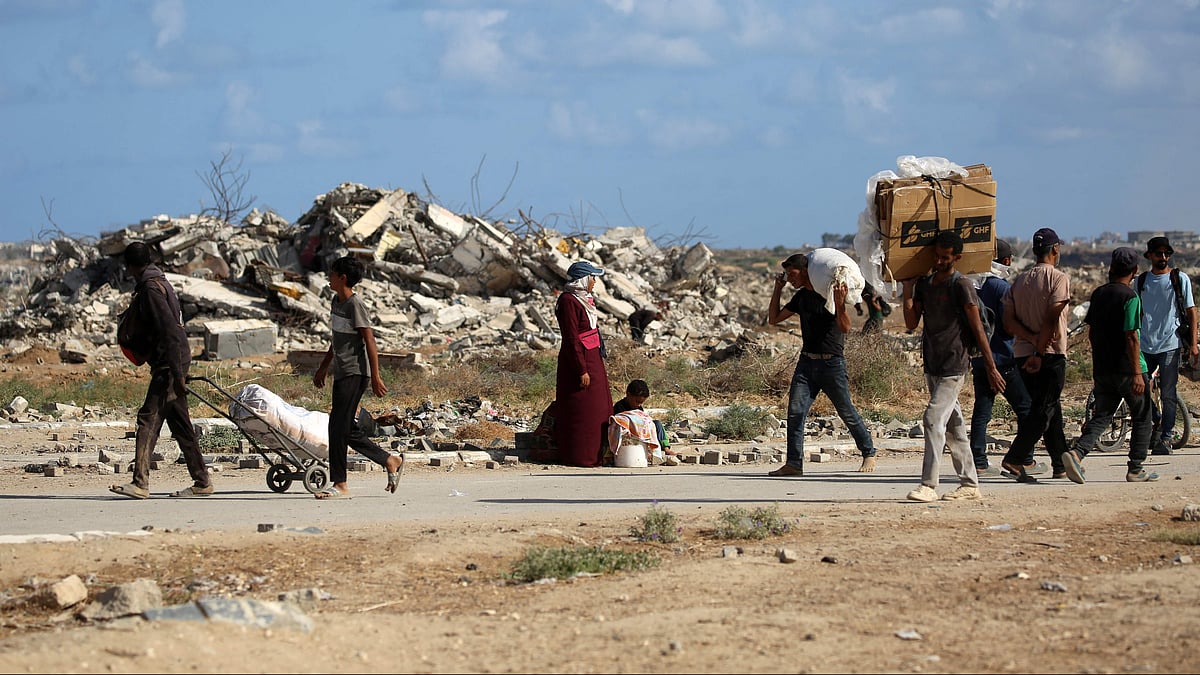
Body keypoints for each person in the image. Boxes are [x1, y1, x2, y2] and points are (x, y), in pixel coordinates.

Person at [901, 231, 1005, 502]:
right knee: (954, 427)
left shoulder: (962, 286)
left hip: (955, 365)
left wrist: (991, 367)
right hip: (933, 364)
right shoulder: (927, 284)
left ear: (956, 257)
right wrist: (908, 291)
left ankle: (928, 485)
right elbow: (912, 322)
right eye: (936, 255)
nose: (939, 261)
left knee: (933, 419)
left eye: (944, 257)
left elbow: (978, 329)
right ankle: (970, 485)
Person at [110, 241, 213, 499]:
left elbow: (170, 332)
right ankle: (202, 481)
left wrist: (177, 374)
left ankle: (140, 483)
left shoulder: (151, 291)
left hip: (169, 363)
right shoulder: (160, 283)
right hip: (172, 361)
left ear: (131, 266)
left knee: (148, 418)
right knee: (180, 425)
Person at [766, 252, 877, 476]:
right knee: (796, 413)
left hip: (832, 364)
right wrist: (778, 288)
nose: (790, 278)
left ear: (806, 270)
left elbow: (845, 329)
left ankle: (869, 453)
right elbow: (774, 319)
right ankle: (794, 464)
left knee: (846, 411)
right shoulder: (800, 298)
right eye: (787, 274)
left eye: (792, 273)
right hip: (807, 363)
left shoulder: (827, 295)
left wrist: (839, 304)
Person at [1063, 247, 1159, 483]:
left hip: (1104, 369)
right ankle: (1136, 468)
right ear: (1135, 270)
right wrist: (1137, 372)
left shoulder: (1099, 294)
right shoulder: (1130, 297)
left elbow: (1092, 332)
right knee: (1142, 416)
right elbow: (1132, 336)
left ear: (1111, 267)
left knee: (1103, 415)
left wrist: (1100, 362)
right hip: (1128, 369)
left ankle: (1077, 453)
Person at [311, 255, 403, 499]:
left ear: (343, 278)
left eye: (332, 274)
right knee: (343, 427)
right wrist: (324, 367)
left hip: (356, 372)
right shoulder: (336, 302)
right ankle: (389, 460)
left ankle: (340, 484)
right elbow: (337, 339)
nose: (328, 278)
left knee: (336, 427)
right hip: (342, 371)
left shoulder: (355, 305)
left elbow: (369, 340)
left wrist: (375, 376)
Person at [999, 227, 1071, 483]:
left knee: (1051, 409)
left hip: (1022, 354)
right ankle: (1015, 457)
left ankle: (1061, 463)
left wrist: (1029, 340)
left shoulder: (1019, 281)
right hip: (1049, 354)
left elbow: (1009, 321)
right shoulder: (1058, 279)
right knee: (1044, 409)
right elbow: (1052, 318)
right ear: (1055, 250)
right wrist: (1039, 350)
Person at [968, 238, 1033, 477]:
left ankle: (979, 462)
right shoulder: (1002, 287)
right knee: (1026, 409)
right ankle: (1022, 458)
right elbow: (1008, 325)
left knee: (982, 412)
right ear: (1006, 261)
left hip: (979, 359)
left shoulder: (974, 285)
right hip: (1003, 359)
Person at [1137, 236, 1198, 455]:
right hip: (1145, 344)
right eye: (1158, 254)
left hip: (1170, 344)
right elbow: (1137, 312)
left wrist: (1193, 343)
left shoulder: (1179, 278)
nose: (1163, 258)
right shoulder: (1141, 281)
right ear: (1150, 256)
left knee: (1168, 394)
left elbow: (1191, 311)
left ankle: (1166, 437)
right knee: (1141, 390)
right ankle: (1156, 423)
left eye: (1166, 254)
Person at [554, 261, 613, 467]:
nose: (595, 282)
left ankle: (600, 454)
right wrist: (581, 369)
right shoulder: (569, 301)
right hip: (579, 361)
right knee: (581, 410)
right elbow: (571, 338)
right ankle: (581, 456)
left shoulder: (585, 300)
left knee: (598, 408)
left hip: (593, 357)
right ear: (584, 278)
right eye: (593, 277)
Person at [612, 379, 674, 464]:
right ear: (628, 395)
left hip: (641, 432)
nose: (639, 405)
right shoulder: (619, 407)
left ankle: (666, 448)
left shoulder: (639, 408)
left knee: (657, 424)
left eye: (641, 403)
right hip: (630, 435)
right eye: (637, 402)